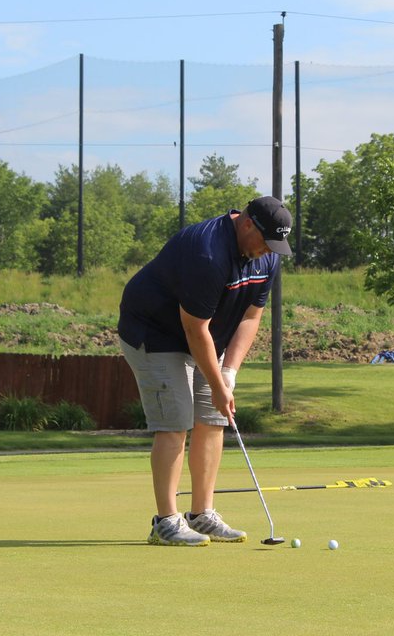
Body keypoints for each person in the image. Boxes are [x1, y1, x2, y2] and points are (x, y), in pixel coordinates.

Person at [118, 195, 292, 546]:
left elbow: (251, 316)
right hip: (155, 332)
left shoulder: (267, 257)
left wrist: (228, 374)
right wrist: (217, 384)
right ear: (246, 224)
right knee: (176, 421)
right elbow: (194, 330)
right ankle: (166, 521)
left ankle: (201, 514)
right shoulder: (207, 252)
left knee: (213, 417)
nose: (269, 250)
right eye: (266, 241)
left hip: (206, 336)